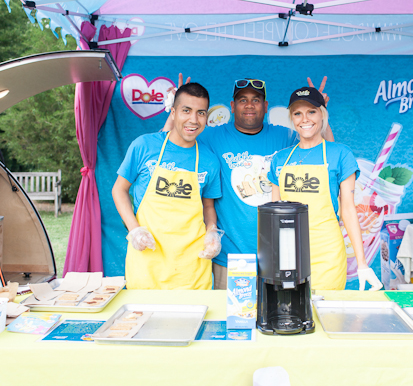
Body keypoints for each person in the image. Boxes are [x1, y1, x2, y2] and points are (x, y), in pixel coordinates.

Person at [163, 75, 333, 289]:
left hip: (279, 254)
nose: (250, 105)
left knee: (277, 319)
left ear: (265, 105)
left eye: (256, 99)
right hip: (230, 257)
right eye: (243, 100)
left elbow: (325, 153)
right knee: (232, 320)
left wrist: (321, 111)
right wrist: (176, 106)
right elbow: (171, 146)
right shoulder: (212, 136)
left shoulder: (285, 136)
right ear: (233, 106)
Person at [268, 87, 382, 291]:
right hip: (288, 254)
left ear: (322, 114)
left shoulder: (340, 154)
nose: (305, 119)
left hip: (327, 252)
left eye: (311, 111)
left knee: (327, 317)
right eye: (297, 113)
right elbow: (274, 213)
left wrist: (362, 263)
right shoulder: (280, 159)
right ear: (291, 119)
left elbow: (348, 210)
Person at [112, 83, 222, 290]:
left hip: (192, 268)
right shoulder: (144, 146)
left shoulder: (209, 160)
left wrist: (212, 232)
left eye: (201, 113)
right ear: (173, 112)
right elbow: (119, 189)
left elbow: (208, 206)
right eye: (186, 111)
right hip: (148, 262)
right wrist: (134, 230)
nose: (193, 120)